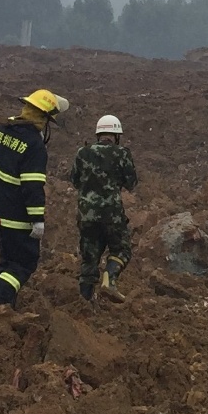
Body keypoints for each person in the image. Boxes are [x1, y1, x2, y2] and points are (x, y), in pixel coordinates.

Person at [0, 88, 69, 307]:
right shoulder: (35, 146)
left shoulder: (1, 130)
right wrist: (37, 219)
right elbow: (32, 186)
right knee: (23, 265)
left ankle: (5, 305)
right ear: (45, 119)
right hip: (18, 217)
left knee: (7, 261)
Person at [70, 114, 138, 302]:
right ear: (116, 135)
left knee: (89, 258)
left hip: (86, 216)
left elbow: (74, 180)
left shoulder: (82, 153)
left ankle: (84, 302)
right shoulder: (122, 153)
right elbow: (131, 183)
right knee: (121, 250)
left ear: (98, 134)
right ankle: (110, 279)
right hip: (112, 215)